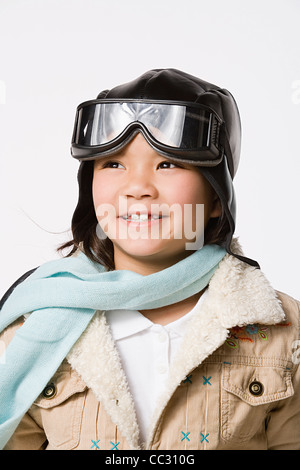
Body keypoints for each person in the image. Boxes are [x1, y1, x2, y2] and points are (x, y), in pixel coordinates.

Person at [0, 68, 299, 451]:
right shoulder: (33, 327)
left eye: (167, 164)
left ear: (215, 199)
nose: (138, 188)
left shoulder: (283, 333)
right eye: (113, 163)